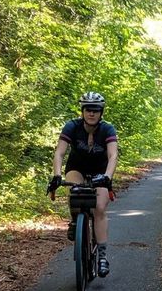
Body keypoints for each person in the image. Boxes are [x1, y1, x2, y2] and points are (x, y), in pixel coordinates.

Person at [48, 91, 118, 276]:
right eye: (88, 109)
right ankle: (75, 221)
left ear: (101, 112)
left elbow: (113, 155)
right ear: (82, 111)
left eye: (96, 110)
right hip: (77, 168)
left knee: (99, 208)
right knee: (75, 194)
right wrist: (56, 175)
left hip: (100, 171)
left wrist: (107, 177)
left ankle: (102, 256)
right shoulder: (72, 126)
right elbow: (59, 153)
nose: (91, 113)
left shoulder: (107, 129)